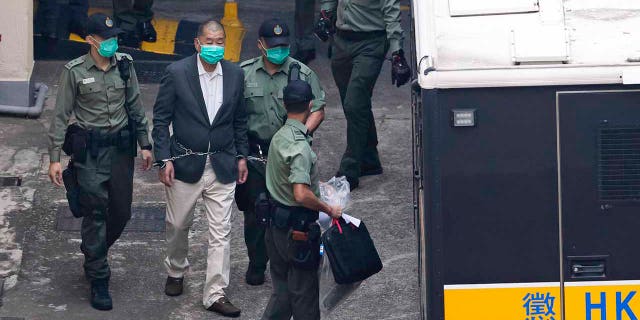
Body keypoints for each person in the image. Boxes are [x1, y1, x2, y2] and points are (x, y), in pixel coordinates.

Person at [47, 13, 153, 311]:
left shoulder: (125, 65)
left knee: (121, 212)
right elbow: (60, 115)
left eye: (114, 37)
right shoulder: (75, 71)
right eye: (106, 38)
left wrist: (145, 144)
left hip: (120, 151)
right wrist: (54, 158)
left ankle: (94, 251)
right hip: (90, 154)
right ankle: (99, 278)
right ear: (90, 40)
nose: (112, 43)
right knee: (95, 211)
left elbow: (134, 104)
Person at [152, 20, 249, 318]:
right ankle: (176, 270)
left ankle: (215, 293)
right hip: (185, 162)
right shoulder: (177, 73)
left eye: (220, 41)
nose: (215, 46)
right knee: (178, 225)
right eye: (209, 41)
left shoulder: (235, 74)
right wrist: (163, 158)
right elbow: (160, 119)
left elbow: (240, 120)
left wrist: (242, 155)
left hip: (222, 163)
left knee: (221, 231)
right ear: (197, 43)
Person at [237, 18, 326, 286]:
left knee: (290, 212)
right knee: (255, 213)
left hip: (288, 155)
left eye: (284, 46)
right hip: (256, 155)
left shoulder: (302, 73)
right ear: (260, 45)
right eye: (273, 46)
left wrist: (301, 134)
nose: (279, 50)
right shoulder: (244, 73)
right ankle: (256, 261)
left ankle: (287, 263)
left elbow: (318, 108)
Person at [261, 80, 341, 320]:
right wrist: (329, 208)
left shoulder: (279, 137)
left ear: (285, 105)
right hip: (297, 233)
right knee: (304, 295)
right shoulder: (300, 147)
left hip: (275, 227)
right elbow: (300, 194)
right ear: (309, 105)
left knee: (282, 291)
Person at [318, 0, 411, 190]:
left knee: (354, 103)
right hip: (342, 42)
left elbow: (392, 14)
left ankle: (349, 171)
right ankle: (369, 159)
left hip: (371, 43)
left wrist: (397, 53)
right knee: (353, 102)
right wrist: (326, 15)